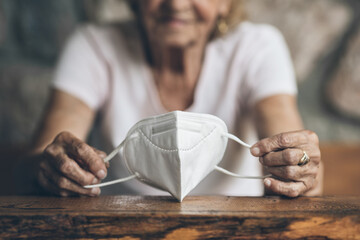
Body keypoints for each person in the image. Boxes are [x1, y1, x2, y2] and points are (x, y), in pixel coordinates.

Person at [18, 0, 323, 198]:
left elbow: (290, 146)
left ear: (226, 4)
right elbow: (43, 153)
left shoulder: (257, 47)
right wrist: (51, 168)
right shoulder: (94, 46)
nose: (176, 4)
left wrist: (300, 168)